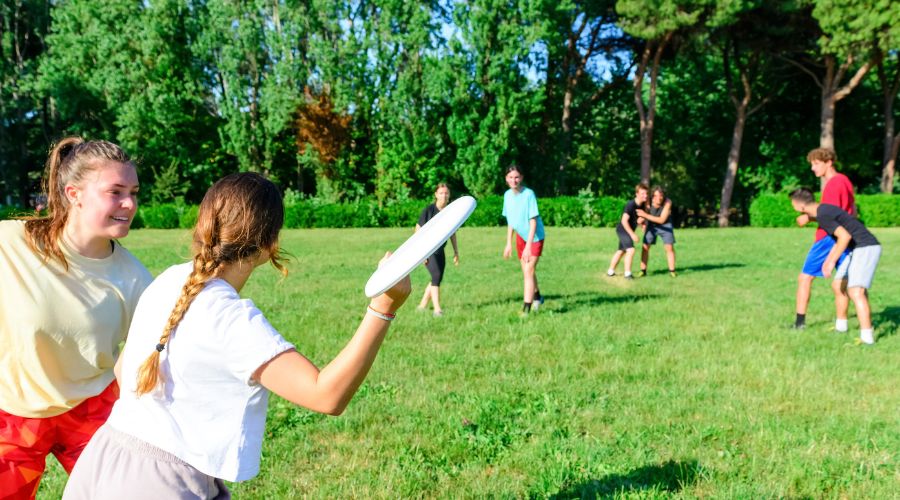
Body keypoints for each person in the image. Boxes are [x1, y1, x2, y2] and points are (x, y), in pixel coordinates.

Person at [63, 172, 411, 499]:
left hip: (103, 458)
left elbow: (125, 371)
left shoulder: (170, 277)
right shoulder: (232, 319)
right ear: (270, 242)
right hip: (160, 485)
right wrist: (383, 306)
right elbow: (326, 396)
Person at [0, 137, 151, 499]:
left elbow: (154, 357)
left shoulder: (134, 279)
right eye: (115, 191)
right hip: (12, 410)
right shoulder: (10, 244)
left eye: (133, 191)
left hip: (91, 407)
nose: (129, 204)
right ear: (74, 193)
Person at [789, 188, 881, 344]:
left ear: (800, 206)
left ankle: (867, 338)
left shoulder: (823, 214)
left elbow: (844, 236)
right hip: (858, 248)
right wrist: (810, 219)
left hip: (866, 247)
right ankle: (841, 327)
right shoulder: (823, 210)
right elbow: (836, 220)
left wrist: (830, 261)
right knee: (838, 285)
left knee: (856, 291)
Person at [793, 148, 855, 331]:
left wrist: (808, 217)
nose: (813, 168)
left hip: (828, 238)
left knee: (804, 278)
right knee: (843, 282)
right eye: (812, 164)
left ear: (829, 163)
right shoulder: (845, 181)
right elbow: (850, 211)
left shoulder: (834, 183)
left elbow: (830, 215)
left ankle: (799, 324)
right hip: (845, 236)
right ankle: (842, 325)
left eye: (816, 163)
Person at [502, 165, 545, 315]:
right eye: (511, 177)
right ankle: (538, 297)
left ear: (521, 178)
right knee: (528, 272)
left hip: (535, 237)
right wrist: (508, 243)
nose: (514, 180)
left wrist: (528, 246)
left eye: (517, 177)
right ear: (506, 179)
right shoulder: (507, 195)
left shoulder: (528, 194)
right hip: (521, 236)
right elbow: (511, 222)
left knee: (528, 271)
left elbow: (533, 222)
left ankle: (526, 309)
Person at [416, 183, 460, 317]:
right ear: (436, 195)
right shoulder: (428, 210)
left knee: (437, 278)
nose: (444, 196)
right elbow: (418, 230)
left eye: (446, 193)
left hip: (440, 250)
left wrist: (456, 252)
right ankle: (437, 309)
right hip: (428, 251)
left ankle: (422, 305)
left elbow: (452, 233)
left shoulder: (450, 212)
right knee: (435, 276)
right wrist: (422, 253)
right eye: (441, 193)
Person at [607, 183, 649, 280]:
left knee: (621, 251)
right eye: (643, 194)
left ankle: (610, 271)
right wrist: (633, 234)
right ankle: (628, 274)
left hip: (627, 230)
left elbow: (639, 219)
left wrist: (642, 224)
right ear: (637, 194)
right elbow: (624, 221)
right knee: (631, 250)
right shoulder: (630, 205)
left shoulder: (642, 206)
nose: (645, 196)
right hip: (623, 229)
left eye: (646, 194)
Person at [636, 186, 676, 277]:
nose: (659, 198)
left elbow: (661, 220)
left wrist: (645, 215)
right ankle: (643, 271)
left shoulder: (667, 202)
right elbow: (643, 213)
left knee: (669, 248)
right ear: (652, 196)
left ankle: (672, 271)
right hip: (651, 225)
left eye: (661, 195)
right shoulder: (647, 201)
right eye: (656, 196)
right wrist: (642, 223)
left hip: (665, 225)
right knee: (645, 247)